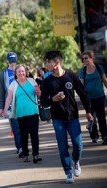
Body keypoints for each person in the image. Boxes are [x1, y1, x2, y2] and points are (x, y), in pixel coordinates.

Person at [40, 50, 93, 184]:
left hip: (73, 116)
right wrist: (53, 99)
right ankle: (68, 172)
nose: (47, 65)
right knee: (62, 146)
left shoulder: (71, 75)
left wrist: (88, 112)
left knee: (78, 145)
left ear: (56, 63)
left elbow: (83, 94)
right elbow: (44, 102)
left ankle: (75, 161)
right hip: (57, 118)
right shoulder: (47, 81)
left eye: (48, 62)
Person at [3, 64, 42, 163]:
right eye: (19, 71)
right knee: (23, 135)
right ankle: (25, 154)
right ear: (16, 74)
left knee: (34, 134)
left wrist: (38, 92)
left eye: (22, 71)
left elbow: (39, 93)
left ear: (26, 72)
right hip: (20, 114)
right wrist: (5, 110)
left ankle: (36, 155)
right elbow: (9, 98)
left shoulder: (32, 81)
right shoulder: (13, 84)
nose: (21, 73)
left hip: (33, 112)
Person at [78, 50, 107, 144]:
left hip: (100, 97)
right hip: (89, 99)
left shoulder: (99, 68)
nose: (84, 60)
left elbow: (105, 80)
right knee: (91, 118)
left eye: (86, 58)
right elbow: (81, 85)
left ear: (91, 58)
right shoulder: (82, 71)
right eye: (83, 59)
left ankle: (105, 137)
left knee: (102, 118)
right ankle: (94, 136)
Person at [0, 51, 23, 157]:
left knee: (24, 127)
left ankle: (24, 146)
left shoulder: (21, 71)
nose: (13, 64)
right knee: (16, 127)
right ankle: (20, 148)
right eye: (11, 61)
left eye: (14, 61)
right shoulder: (3, 74)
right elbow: (2, 91)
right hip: (11, 105)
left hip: (23, 104)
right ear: (7, 61)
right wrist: (1, 107)